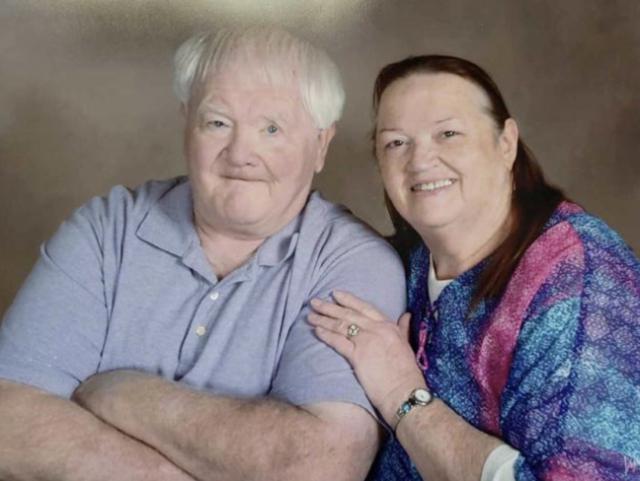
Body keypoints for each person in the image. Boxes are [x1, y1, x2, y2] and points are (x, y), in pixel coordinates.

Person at [0, 28, 407, 481]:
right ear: (186, 123)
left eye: (271, 129)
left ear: (321, 145)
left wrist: (121, 393)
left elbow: (318, 464)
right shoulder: (104, 230)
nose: (241, 153)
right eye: (217, 123)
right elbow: (9, 419)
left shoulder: (355, 263)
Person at [309, 55, 640, 481]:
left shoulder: (580, 281)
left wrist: (401, 395)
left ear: (506, 143)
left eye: (448, 134)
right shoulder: (397, 263)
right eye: (396, 142)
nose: (420, 160)